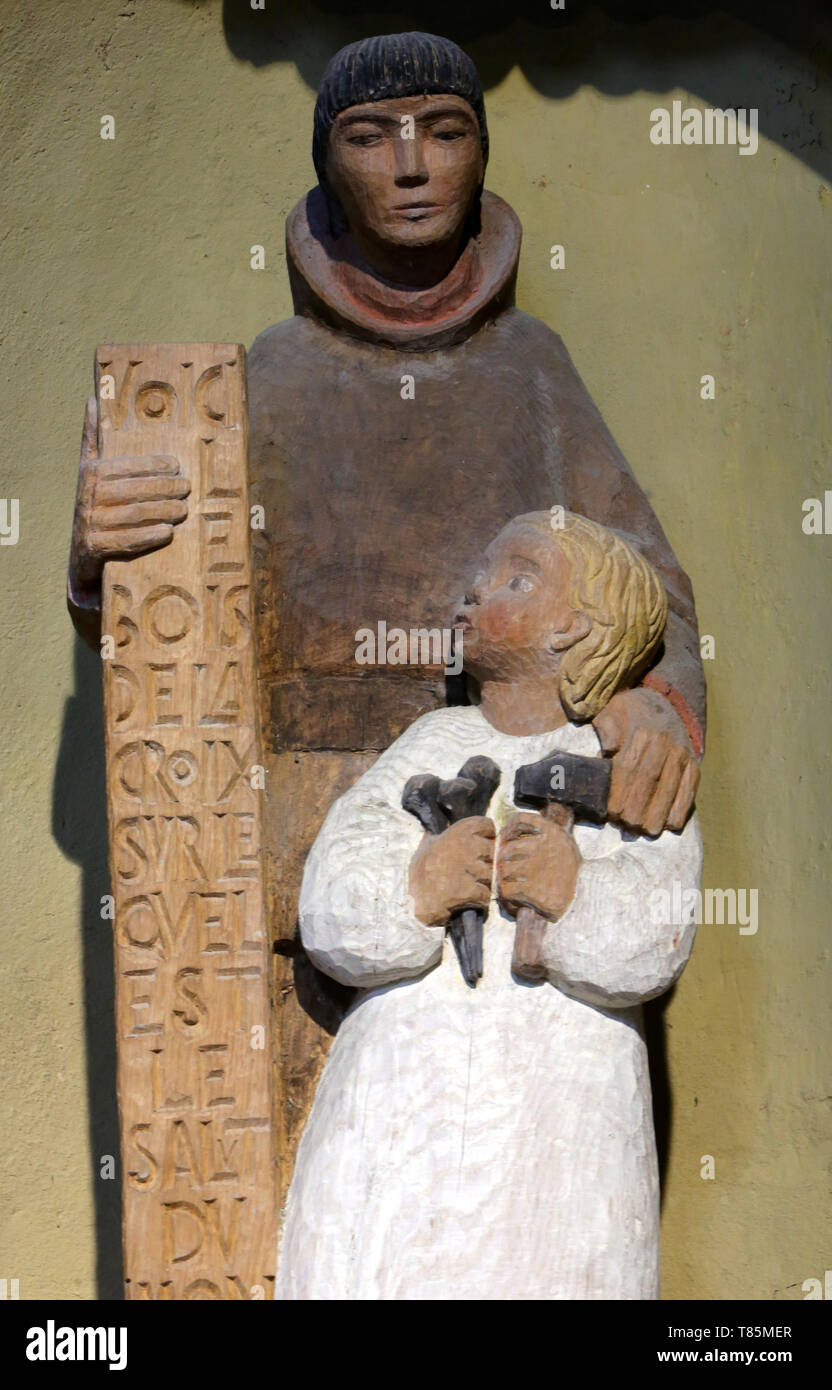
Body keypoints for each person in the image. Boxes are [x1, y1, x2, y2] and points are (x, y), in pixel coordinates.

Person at [67, 31, 704, 1181]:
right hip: (285, 837)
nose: (410, 164)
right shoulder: (261, 377)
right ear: (328, 170)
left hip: (504, 832)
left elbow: (644, 587)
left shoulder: (529, 371)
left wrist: (650, 699)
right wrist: (102, 555)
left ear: (480, 158)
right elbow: (169, 615)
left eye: (443, 131)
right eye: (370, 136)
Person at [276, 512, 701, 1300]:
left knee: (552, 1256)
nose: (474, 588)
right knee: (372, 1257)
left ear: (577, 626)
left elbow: (660, 927)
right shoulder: (433, 743)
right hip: (403, 1099)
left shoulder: (626, 766)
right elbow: (332, 893)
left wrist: (574, 893)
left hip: (562, 1104)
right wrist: (418, 886)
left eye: (517, 577)